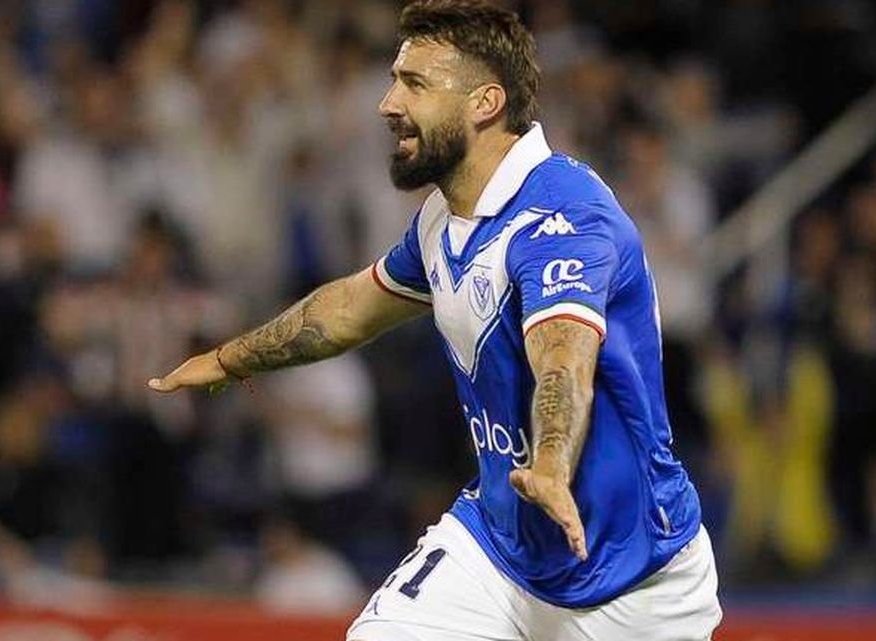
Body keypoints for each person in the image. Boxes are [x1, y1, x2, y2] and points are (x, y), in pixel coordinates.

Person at [149, 1, 721, 639]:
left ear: (485, 103)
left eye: (414, 84)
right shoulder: (443, 220)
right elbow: (350, 309)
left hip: (633, 580)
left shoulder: (563, 217)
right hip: (500, 551)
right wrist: (228, 359)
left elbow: (563, 357)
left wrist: (552, 462)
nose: (387, 104)